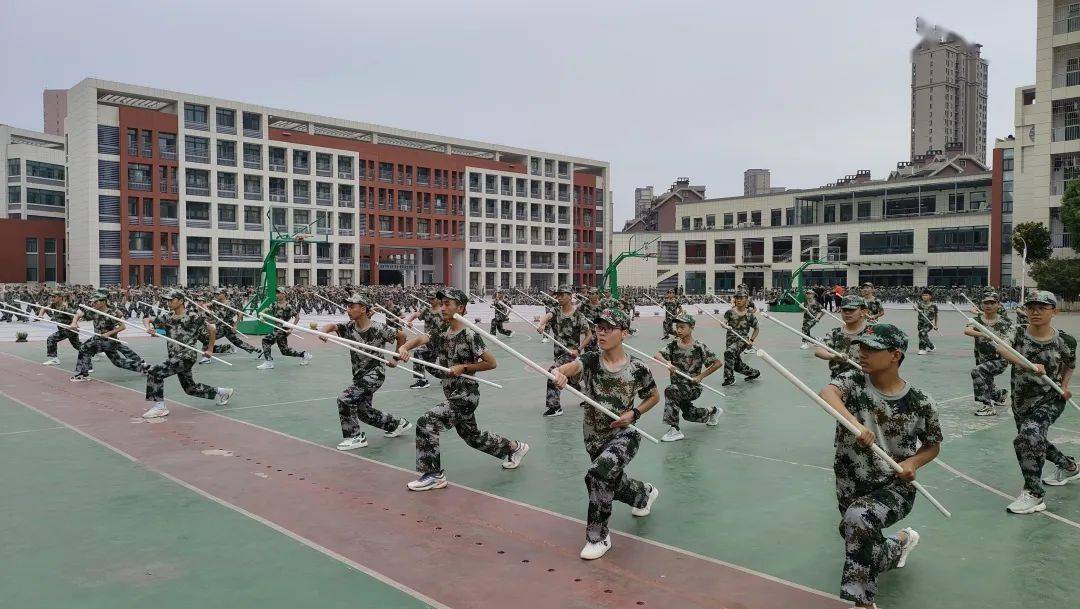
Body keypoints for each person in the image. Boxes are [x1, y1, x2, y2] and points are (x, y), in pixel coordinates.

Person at [819, 323, 942, 609]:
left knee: (858, 519)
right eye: (861, 347)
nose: (862, 354)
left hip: (894, 488)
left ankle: (861, 603)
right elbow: (827, 393)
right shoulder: (853, 380)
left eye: (871, 349)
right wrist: (854, 424)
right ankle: (898, 545)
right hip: (851, 483)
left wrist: (913, 462)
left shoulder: (920, 402)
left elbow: (932, 445)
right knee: (858, 538)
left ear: (895, 355)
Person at [551, 307, 660, 560]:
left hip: (624, 434)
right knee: (610, 482)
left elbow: (653, 396)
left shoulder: (637, 368)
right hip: (594, 436)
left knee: (597, 476)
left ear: (624, 333)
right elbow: (571, 367)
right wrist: (559, 373)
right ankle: (643, 494)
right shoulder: (590, 361)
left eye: (608, 328)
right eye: (598, 328)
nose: (601, 333)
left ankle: (598, 537)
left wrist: (635, 413)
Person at [397, 289, 529, 491]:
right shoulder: (443, 330)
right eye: (442, 304)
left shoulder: (469, 334)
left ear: (461, 308)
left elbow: (491, 363)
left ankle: (434, 475)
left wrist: (464, 368)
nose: (442, 308)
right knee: (472, 437)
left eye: (448, 304)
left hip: (466, 395)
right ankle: (514, 448)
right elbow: (422, 340)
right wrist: (405, 347)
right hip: (450, 391)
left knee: (427, 422)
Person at [993, 290, 1080, 514]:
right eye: (1031, 307)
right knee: (1035, 439)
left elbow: (1070, 365)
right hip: (1021, 401)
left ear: (1054, 311)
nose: (1035, 312)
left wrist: (1065, 387)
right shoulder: (1018, 332)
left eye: (1042, 307)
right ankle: (1069, 466)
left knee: (1027, 438)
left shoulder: (1065, 340)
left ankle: (1034, 493)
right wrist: (1026, 363)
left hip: (1050, 400)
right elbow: (1002, 348)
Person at [317, 293, 411, 450]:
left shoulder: (379, 328)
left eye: (351, 307)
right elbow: (332, 326)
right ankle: (397, 424)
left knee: (345, 399)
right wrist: (323, 332)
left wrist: (396, 358)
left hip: (375, 374)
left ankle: (355, 437)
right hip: (359, 376)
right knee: (363, 412)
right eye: (347, 306)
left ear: (362, 309)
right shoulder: (349, 327)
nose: (348, 310)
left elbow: (401, 335)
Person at [142, 289, 235, 419]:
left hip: (186, 356)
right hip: (174, 356)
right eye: (167, 300)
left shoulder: (193, 316)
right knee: (190, 389)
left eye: (171, 300)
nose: (168, 302)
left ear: (180, 301)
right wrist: (149, 329)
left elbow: (212, 329)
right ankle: (222, 392)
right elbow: (147, 319)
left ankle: (159, 407)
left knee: (154, 372)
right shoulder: (168, 317)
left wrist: (210, 349)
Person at [655, 313, 723, 442]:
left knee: (670, 390)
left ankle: (674, 429)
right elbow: (657, 355)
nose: (678, 330)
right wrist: (667, 363)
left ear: (692, 328)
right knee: (689, 415)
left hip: (692, 387)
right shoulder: (673, 345)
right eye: (677, 327)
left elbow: (718, 363)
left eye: (682, 327)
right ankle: (713, 411)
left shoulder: (699, 347)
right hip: (678, 388)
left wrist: (701, 376)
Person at [537, 285, 593, 417]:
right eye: (558, 295)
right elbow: (547, 316)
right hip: (558, 353)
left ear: (570, 296)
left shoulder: (578, 315)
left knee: (553, 373)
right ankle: (589, 397)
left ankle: (555, 407)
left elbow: (589, 335)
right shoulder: (556, 310)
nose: (559, 297)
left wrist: (578, 350)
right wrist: (541, 324)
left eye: (562, 295)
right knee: (572, 382)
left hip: (570, 354)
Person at [69, 291, 147, 382]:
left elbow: (122, 326)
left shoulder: (111, 313)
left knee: (85, 348)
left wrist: (109, 333)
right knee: (117, 362)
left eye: (96, 302)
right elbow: (78, 314)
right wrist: (74, 323)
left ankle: (83, 374)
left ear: (103, 302)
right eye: (92, 302)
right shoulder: (94, 311)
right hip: (98, 338)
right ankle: (143, 368)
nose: (93, 304)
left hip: (108, 341)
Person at [963, 291, 1012, 417]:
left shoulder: (1005, 322)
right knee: (986, 381)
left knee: (977, 371)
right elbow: (967, 330)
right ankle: (1000, 395)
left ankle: (987, 406)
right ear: (982, 305)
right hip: (982, 358)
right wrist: (983, 334)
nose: (989, 305)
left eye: (992, 303)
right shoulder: (976, 321)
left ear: (998, 305)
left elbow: (1012, 339)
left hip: (1000, 360)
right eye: (986, 303)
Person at [815, 295, 869, 379]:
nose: (847, 313)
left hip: (865, 380)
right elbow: (819, 351)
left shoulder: (871, 333)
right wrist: (833, 356)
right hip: (839, 380)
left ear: (863, 312)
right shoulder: (835, 333)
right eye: (844, 310)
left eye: (851, 310)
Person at [258, 287, 312, 370]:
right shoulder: (274, 304)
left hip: (283, 329)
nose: (277, 295)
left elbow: (297, 317)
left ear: (283, 294)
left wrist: (291, 328)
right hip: (276, 328)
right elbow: (267, 309)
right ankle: (304, 355)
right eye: (277, 293)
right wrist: (262, 314)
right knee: (285, 351)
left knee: (266, 340)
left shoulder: (288, 306)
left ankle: (269, 362)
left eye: (279, 293)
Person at [402, 291, 444, 389]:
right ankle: (445, 376)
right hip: (429, 341)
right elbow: (416, 314)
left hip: (442, 342)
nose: (430, 300)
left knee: (418, 353)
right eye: (429, 298)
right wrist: (409, 321)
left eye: (432, 299)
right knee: (429, 365)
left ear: (438, 299)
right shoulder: (427, 310)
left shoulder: (443, 311)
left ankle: (422, 380)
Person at [721, 290, 760, 386]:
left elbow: (756, 328)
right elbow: (723, 322)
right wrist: (725, 325)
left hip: (742, 340)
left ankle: (729, 378)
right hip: (730, 340)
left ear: (746, 300)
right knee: (735, 364)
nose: (738, 300)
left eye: (741, 298)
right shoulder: (729, 312)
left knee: (729, 353)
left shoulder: (749, 315)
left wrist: (751, 340)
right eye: (736, 298)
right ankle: (754, 373)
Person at [38, 290, 82, 366]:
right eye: (51, 297)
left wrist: (74, 324)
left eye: (54, 297)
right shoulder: (54, 305)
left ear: (60, 298)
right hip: (64, 328)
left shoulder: (64, 307)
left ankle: (54, 359)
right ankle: (94, 350)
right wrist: (40, 315)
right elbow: (44, 308)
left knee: (51, 339)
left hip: (68, 329)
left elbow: (77, 314)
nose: (52, 298)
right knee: (77, 345)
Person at [913, 289, 939, 355]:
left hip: (929, 324)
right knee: (922, 335)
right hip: (920, 323)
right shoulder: (920, 303)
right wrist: (916, 308)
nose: (924, 296)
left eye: (926, 295)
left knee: (922, 333)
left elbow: (936, 316)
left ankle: (922, 349)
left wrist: (936, 325)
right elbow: (915, 306)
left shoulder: (934, 305)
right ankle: (931, 346)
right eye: (923, 295)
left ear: (930, 296)